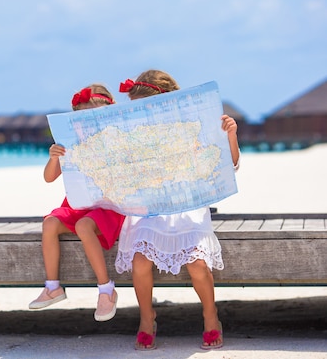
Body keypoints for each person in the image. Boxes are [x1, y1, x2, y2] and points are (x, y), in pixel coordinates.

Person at [114, 69, 240, 350]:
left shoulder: (194, 123)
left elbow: (228, 164)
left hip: (188, 206)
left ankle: (211, 315)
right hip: (152, 208)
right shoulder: (137, 133)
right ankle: (147, 318)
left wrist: (230, 135)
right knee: (140, 260)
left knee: (196, 263)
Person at [29, 83, 126, 322]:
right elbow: (49, 178)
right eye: (81, 120)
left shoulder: (116, 142)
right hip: (79, 203)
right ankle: (53, 287)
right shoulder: (70, 146)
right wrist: (54, 158)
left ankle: (106, 289)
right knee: (50, 222)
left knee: (84, 226)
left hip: (109, 207)